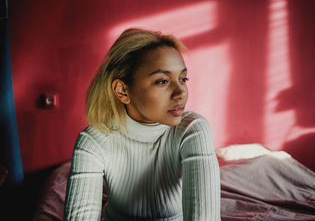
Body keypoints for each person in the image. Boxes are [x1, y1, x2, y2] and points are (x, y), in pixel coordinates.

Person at [63, 28, 221, 221]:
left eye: (183, 79)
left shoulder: (193, 129)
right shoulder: (93, 141)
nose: (181, 93)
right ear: (122, 91)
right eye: (162, 81)